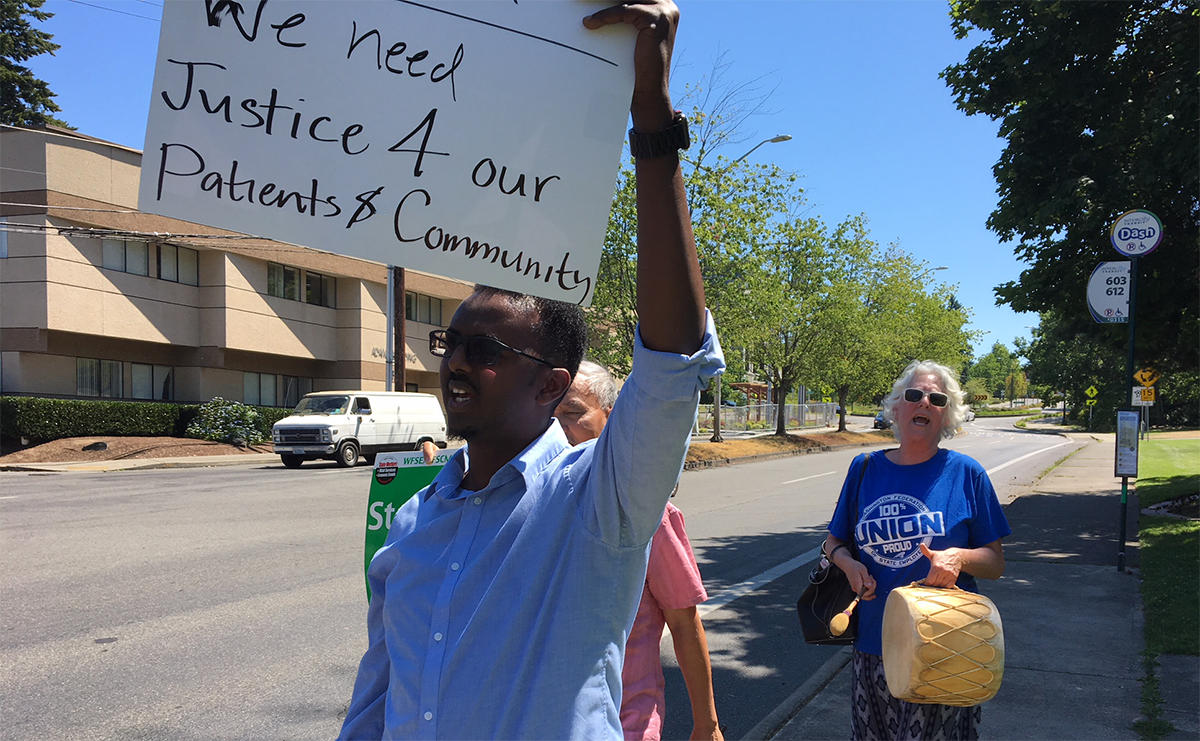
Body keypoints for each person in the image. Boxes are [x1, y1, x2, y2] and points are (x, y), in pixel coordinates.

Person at [336, 3, 726, 739]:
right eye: (452, 340)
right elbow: (376, 700)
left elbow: (672, 361)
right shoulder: (416, 521)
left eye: (487, 351)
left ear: (552, 384)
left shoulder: (598, 504)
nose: (456, 361)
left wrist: (652, 123)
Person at [824, 360, 1011, 741]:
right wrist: (848, 565)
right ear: (896, 408)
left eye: (937, 398)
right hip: (874, 644)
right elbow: (834, 541)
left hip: (945, 647)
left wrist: (959, 557)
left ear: (947, 417)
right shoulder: (864, 469)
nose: (924, 402)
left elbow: (994, 563)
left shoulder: (966, 473)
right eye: (914, 395)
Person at [555, 361, 724, 741]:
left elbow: (684, 622)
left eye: (572, 413)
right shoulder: (541, 503)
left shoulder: (645, 511)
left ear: (610, 418)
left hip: (624, 721)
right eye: (550, 416)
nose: (560, 428)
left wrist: (707, 724)